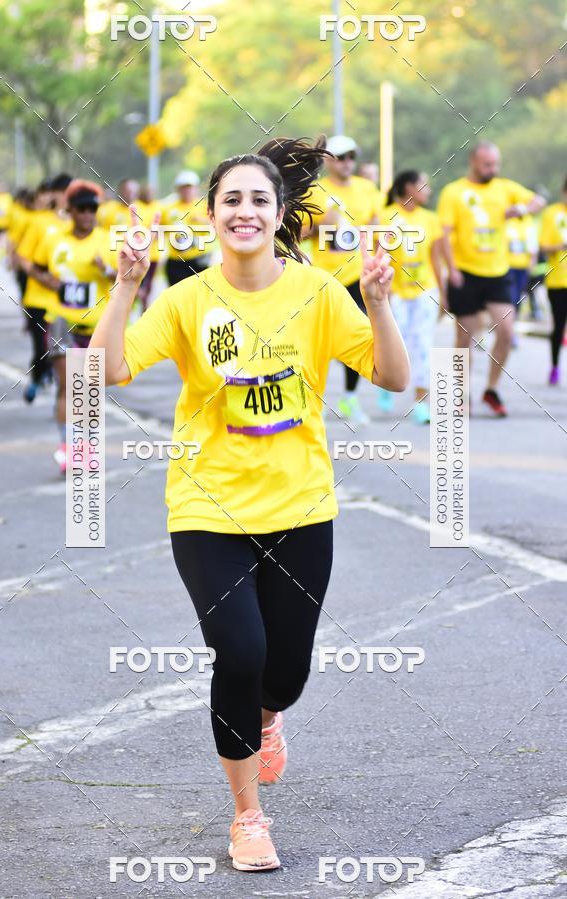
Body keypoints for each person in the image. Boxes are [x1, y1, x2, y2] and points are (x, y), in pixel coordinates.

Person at [90, 137, 409, 873]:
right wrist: (125, 287)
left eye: (258, 199)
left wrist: (380, 303)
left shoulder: (320, 293)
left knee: (285, 672)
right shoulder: (188, 299)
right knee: (238, 652)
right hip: (208, 513)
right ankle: (247, 816)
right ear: (210, 214)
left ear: (278, 213)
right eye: (230, 199)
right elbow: (107, 370)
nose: (244, 210)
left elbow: (392, 375)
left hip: (301, 508)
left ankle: (268, 717)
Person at [438, 142, 546, 416]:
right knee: (465, 338)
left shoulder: (504, 187)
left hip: (498, 271)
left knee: (507, 332)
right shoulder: (454, 192)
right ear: (474, 162)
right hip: (466, 273)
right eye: (487, 165)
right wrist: (452, 269)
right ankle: (463, 394)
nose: (493, 169)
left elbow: (538, 200)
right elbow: (445, 235)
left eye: (496, 164)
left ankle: (492, 389)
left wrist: (522, 210)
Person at [29, 180, 117, 471]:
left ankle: (87, 447)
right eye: (81, 209)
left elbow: (125, 275)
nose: (87, 214)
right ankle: (67, 448)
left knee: (90, 389)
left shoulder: (108, 240)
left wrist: (105, 269)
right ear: (71, 211)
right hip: (62, 322)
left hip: (96, 324)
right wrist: (52, 283)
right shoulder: (56, 240)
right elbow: (35, 267)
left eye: (92, 209)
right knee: (68, 386)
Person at [302, 135, 384, 424]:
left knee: (359, 336)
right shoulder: (315, 192)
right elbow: (300, 233)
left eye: (351, 156)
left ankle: (350, 398)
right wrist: (320, 224)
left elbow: (376, 229)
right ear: (327, 160)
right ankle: (315, 397)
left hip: (357, 277)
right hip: (324, 278)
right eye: (341, 157)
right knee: (320, 340)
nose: (348, 162)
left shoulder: (367, 188)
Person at [378, 171, 445, 423]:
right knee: (398, 342)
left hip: (425, 289)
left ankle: (420, 403)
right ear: (408, 188)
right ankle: (386, 384)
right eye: (423, 185)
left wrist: (443, 293)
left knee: (423, 344)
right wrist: (384, 290)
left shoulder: (430, 218)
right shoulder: (386, 216)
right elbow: (377, 255)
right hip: (395, 290)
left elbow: (435, 258)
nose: (428, 190)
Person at [16, 175, 73, 403]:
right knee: (42, 346)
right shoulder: (39, 222)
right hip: (39, 298)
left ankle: (67, 396)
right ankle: (39, 377)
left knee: (68, 353)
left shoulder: (79, 225)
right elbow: (23, 258)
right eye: (64, 191)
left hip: (70, 302)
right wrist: (44, 278)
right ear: (55, 194)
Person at [162, 170, 213, 285]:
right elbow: (158, 229)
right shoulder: (168, 208)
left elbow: (217, 226)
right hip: (176, 261)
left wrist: (203, 221)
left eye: (189, 187)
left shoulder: (205, 206)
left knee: (200, 296)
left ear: (196, 188)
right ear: (177, 189)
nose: (186, 191)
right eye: (183, 187)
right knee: (177, 298)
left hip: (199, 259)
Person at [539, 176, 567, 384]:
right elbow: (543, 245)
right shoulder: (552, 213)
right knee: (559, 326)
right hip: (558, 280)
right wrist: (560, 246)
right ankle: (555, 366)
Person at [506, 210, 538, 342]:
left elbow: (533, 248)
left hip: (522, 269)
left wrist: (531, 265)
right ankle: (508, 331)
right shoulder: (508, 220)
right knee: (510, 299)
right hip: (507, 268)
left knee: (517, 300)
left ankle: (511, 331)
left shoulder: (528, 222)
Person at [135, 184, 163, 312]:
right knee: (137, 284)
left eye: (151, 192)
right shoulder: (136, 206)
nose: (149, 195)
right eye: (146, 192)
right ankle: (133, 308)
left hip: (154, 255)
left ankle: (144, 311)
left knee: (148, 286)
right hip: (138, 253)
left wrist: (159, 232)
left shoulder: (159, 206)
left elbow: (164, 226)